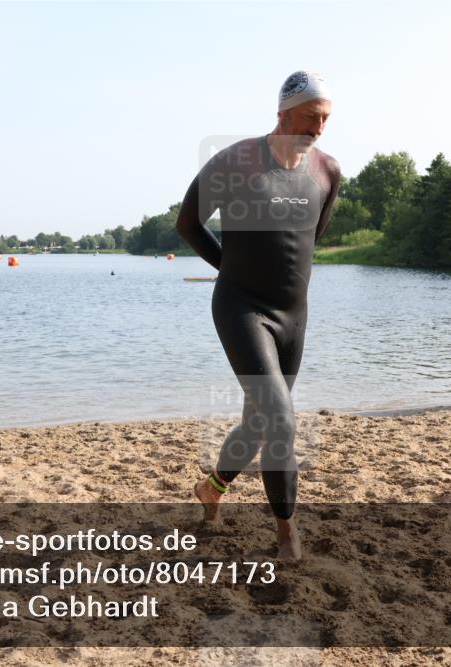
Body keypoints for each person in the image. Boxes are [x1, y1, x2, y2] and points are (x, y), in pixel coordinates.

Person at [177, 71, 341, 560]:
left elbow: (312, 237)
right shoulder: (237, 161)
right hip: (241, 306)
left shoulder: (328, 171)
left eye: (326, 118)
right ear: (284, 112)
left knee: (260, 422)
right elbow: (188, 225)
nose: (319, 127)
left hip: (294, 315)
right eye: (312, 117)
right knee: (281, 420)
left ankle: (213, 486)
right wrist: (233, 269)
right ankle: (288, 537)